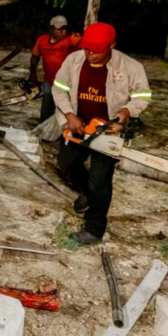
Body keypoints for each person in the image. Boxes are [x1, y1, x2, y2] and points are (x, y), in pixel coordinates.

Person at [51, 22, 151, 245]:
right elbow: (58, 88)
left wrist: (127, 110)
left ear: (111, 46)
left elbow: (143, 95)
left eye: (95, 50)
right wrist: (69, 114)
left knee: (100, 181)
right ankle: (86, 192)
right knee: (66, 164)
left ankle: (94, 229)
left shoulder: (130, 67)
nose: (89, 54)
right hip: (77, 126)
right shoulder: (74, 61)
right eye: (87, 49)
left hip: (108, 132)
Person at [28, 15, 81, 123]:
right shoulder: (42, 40)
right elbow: (35, 56)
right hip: (50, 80)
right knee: (46, 108)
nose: (61, 31)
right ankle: (44, 131)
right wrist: (32, 74)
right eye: (58, 28)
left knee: (67, 108)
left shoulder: (72, 39)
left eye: (64, 28)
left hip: (68, 82)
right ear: (51, 28)